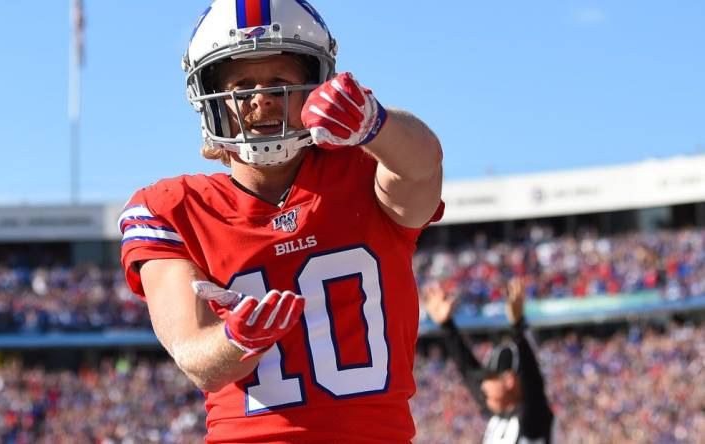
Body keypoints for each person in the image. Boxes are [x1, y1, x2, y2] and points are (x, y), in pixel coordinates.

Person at [118, 0, 444, 442]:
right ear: (210, 97)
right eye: (243, 83)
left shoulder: (363, 169)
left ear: (315, 86)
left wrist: (376, 123)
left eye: (279, 82)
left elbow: (421, 169)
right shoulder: (172, 208)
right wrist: (237, 339)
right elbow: (194, 356)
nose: (260, 99)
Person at [422, 278, 555, 443]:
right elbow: (468, 371)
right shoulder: (499, 414)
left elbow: (532, 382)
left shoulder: (533, 418)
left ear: (509, 380)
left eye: (489, 379)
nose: (483, 387)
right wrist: (447, 326)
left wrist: (518, 326)